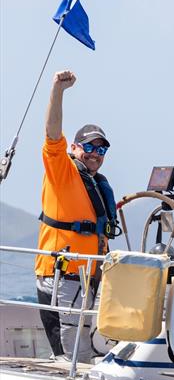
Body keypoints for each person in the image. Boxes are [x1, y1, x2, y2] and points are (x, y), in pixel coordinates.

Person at [35, 70, 118, 363]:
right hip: (62, 277)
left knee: (95, 348)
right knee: (71, 356)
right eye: (90, 146)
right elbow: (52, 134)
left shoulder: (98, 183)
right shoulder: (62, 171)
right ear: (74, 148)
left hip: (92, 277)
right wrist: (57, 90)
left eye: (102, 148)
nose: (96, 153)